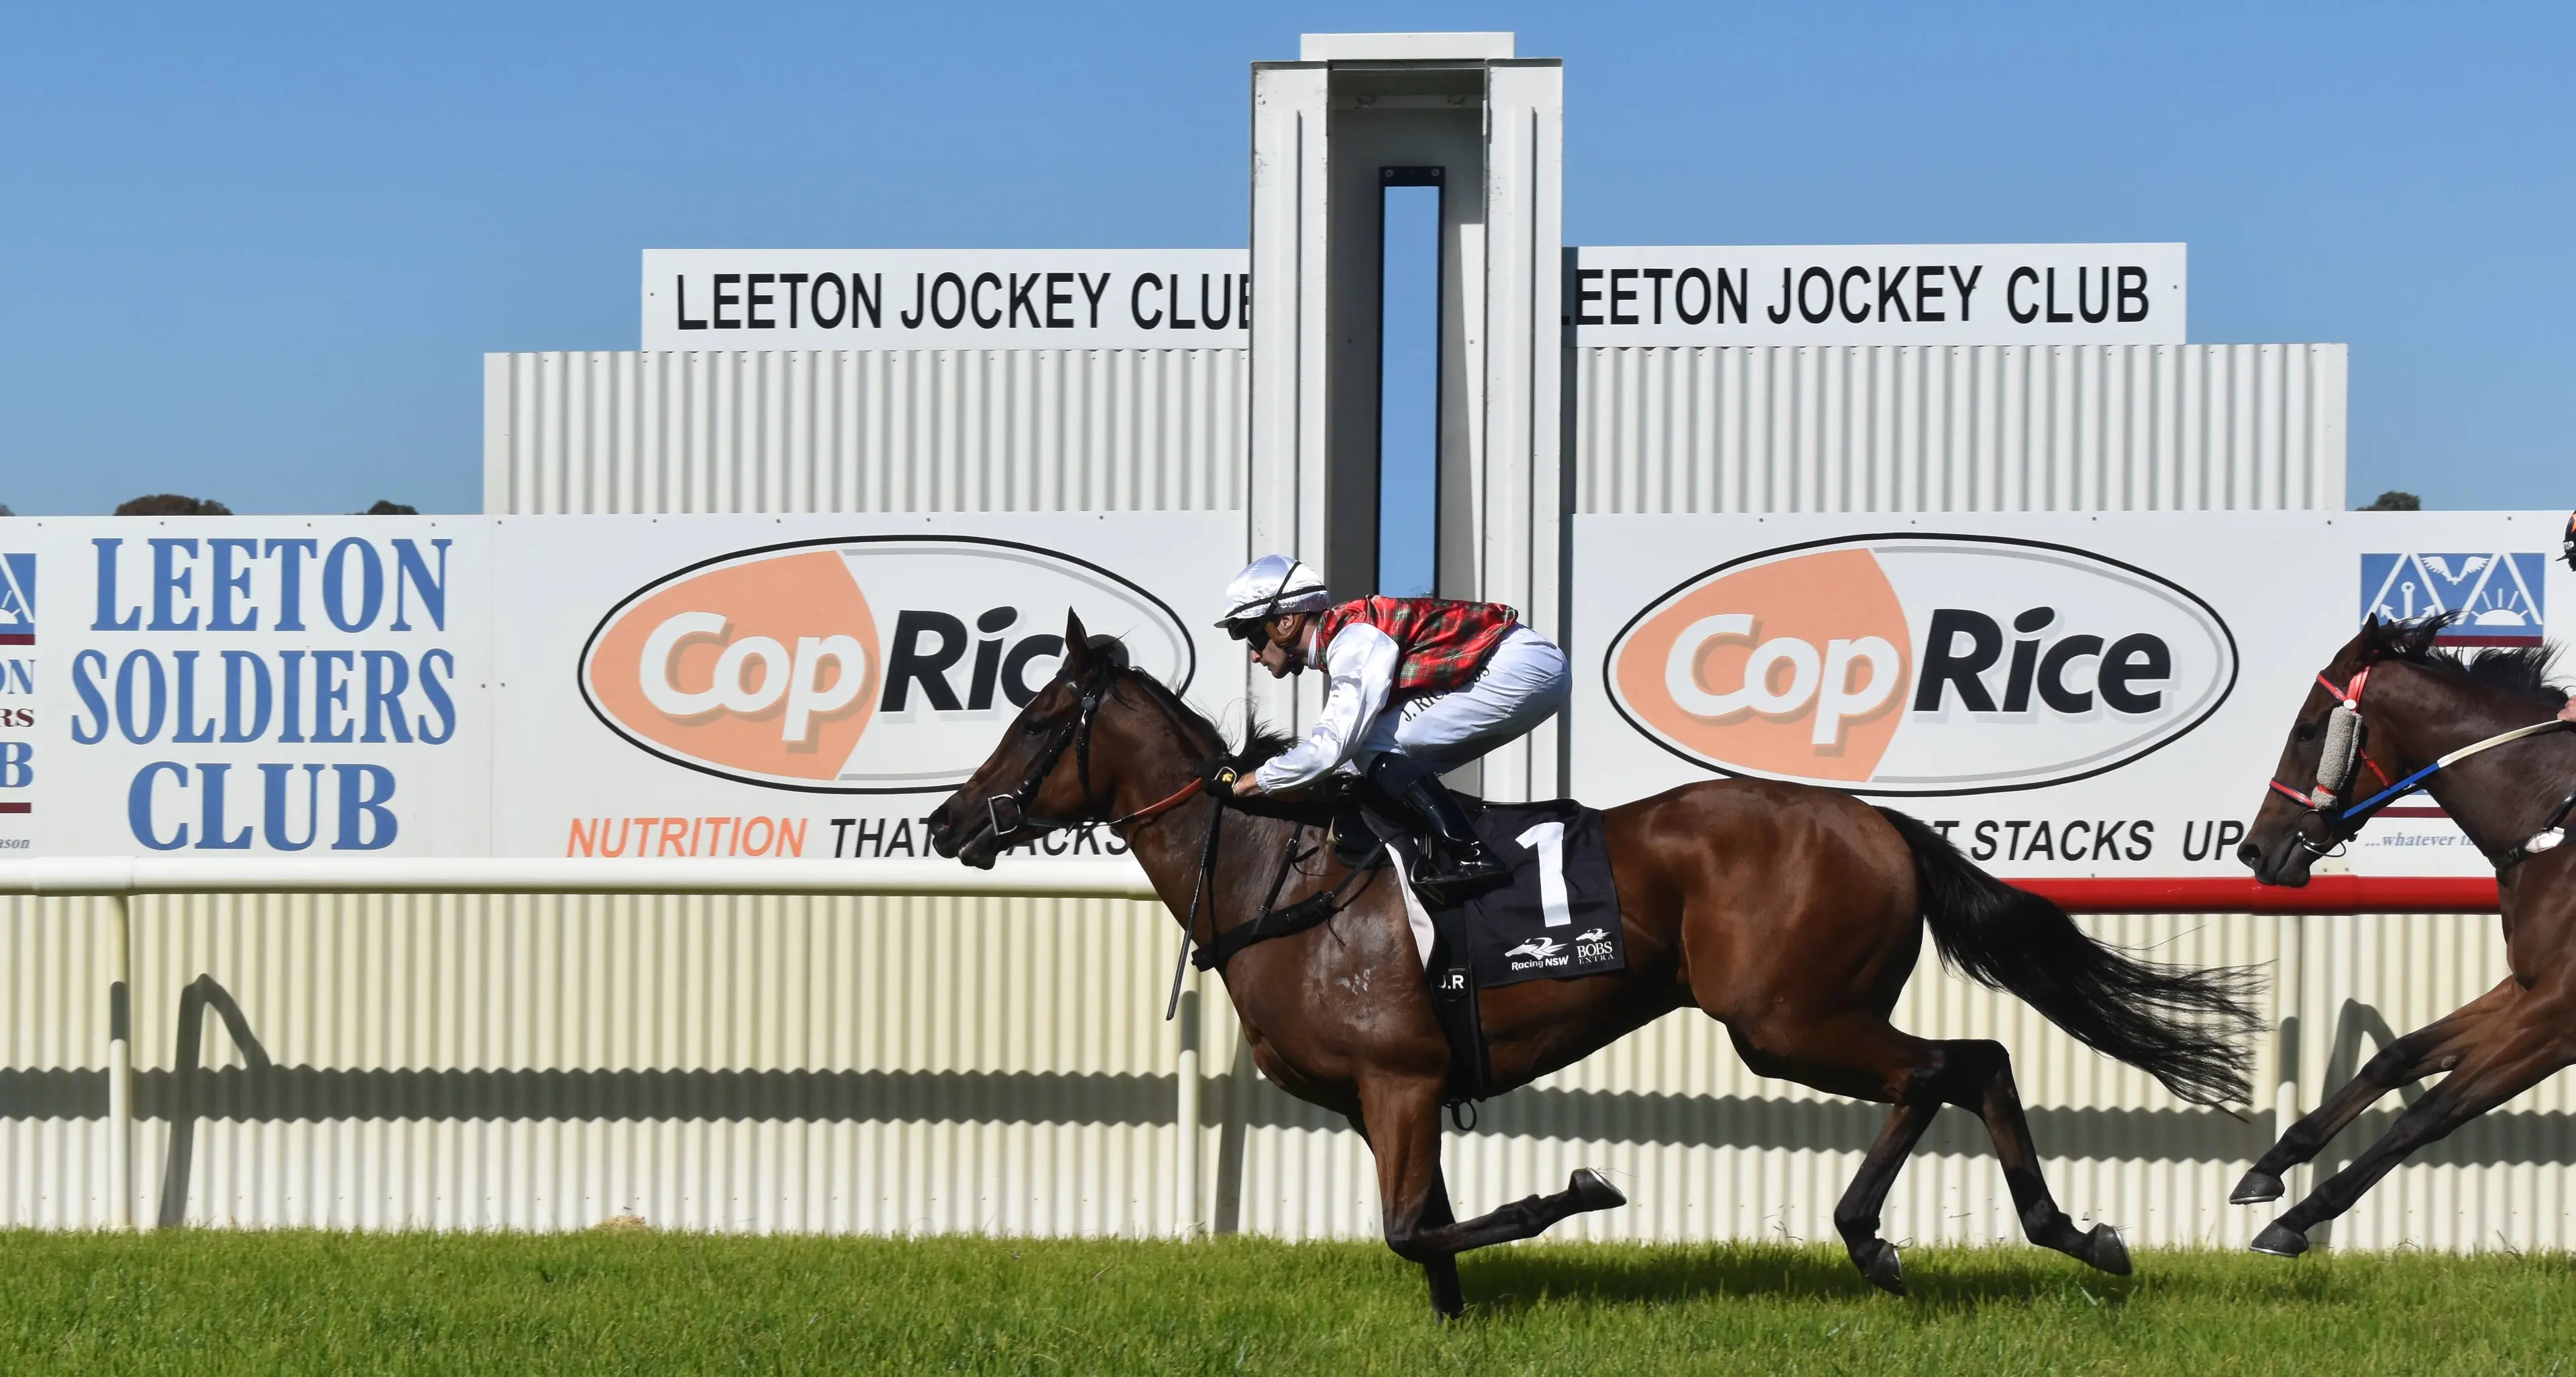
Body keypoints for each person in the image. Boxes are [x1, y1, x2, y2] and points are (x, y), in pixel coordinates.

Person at [1214, 554, 1572, 903]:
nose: (1253, 655)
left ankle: (1472, 855)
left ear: (1287, 621)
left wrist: (1251, 781)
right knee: (1365, 765)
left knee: (1370, 746)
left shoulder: (1353, 640)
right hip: (1519, 666)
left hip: (1519, 665)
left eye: (1250, 635)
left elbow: (1331, 748)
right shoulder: (1345, 636)